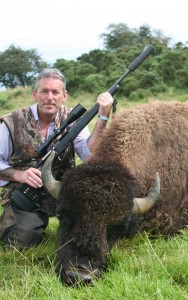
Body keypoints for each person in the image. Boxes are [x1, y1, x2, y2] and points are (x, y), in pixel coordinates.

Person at [0, 68, 114, 248]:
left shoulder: (74, 120)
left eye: (55, 92)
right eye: (44, 91)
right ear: (34, 94)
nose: (50, 97)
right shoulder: (11, 122)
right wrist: (18, 175)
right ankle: (14, 222)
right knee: (20, 242)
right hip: (25, 195)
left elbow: (88, 155)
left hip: (64, 192)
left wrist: (102, 118)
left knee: (88, 233)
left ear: (64, 96)